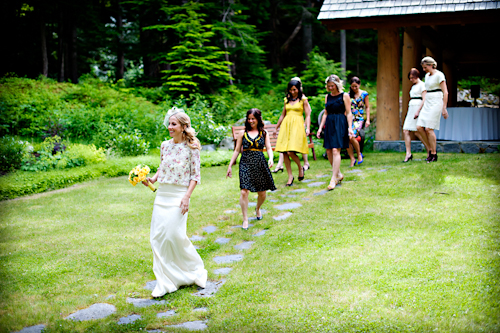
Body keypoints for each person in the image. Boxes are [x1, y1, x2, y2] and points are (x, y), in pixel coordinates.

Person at [142, 107, 207, 297]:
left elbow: (195, 175)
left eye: (173, 124)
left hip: (179, 195)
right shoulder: (165, 145)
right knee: (157, 237)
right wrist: (152, 180)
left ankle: (193, 270)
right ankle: (163, 282)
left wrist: (187, 197)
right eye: (169, 124)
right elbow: (162, 167)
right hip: (162, 195)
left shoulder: (192, 147)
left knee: (174, 236)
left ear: (183, 127)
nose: (169, 127)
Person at [227, 108, 276, 230]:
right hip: (245, 163)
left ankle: (258, 208)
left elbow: (269, 148)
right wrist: (230, 165)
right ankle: (245, 219)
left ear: (258, 119)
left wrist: (271, 158)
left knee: (262, 193)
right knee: (244, 191)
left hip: (260, 163)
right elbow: (237, 150)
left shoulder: (264, 133)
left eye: (253, 119)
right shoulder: (242, 133)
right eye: (249, 119)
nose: (250, 121)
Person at [317, 75, 353, 190]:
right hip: (330, 123)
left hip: (340, 123)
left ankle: (333, 178)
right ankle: (338, 174)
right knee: (328, 151)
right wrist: (320, 127)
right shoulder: (328, 97)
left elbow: (349, 112)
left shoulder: (345, 96)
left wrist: (350, 127)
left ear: (337, 85)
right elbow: (326, 113)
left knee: (335, 150)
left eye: (332, 86)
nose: (331, 88)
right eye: (329, 86)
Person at [274, 78, 311, 186]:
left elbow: (308, 114)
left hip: (297, 125)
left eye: (294, 89)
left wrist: (307, 127)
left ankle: (300, 167)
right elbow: (283, 114)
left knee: (291, 151)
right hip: (286, 126)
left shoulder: (303, 99)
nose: (292, 92)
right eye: (291, 90)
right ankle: (290, 176)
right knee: (284, 152)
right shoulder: (287, 99)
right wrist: (277, 127)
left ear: (298, 89)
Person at [415, 56, 449, 163]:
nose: (424, 69)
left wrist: (444, 107)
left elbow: (446, 92)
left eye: (425, 67)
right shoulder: (427, 76)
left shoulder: (439, 75)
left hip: (436, 101)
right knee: (419, 127)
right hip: (428, 101)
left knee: (429, 129)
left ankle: (434, 153)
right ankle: (429, 149)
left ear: (430, 65)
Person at [402, 68, 431, 162]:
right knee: (406, 130)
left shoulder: (422, 85)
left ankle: (429, 149)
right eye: (410, 78)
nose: (411, 80)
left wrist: (418, 111)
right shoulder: (413, 86)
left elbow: (424, 99)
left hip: (418, 107)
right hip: (411, 107)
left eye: (412, 78)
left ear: (416, 76)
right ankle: (408, 153)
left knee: (418, 131)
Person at [348, 77, 369, 166]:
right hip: (350, 119)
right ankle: (352, 158)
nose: (354, 88)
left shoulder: (364, 94)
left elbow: (367, 107)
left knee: (352, 136)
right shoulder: (348, 95)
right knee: (347, 138)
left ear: (359, 85)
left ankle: (358, 153)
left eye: (356, 86)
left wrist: (367, 119)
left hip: (359, 119)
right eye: (352, 86)